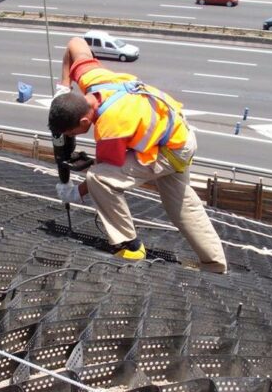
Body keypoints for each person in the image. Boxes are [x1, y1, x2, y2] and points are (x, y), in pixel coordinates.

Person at [48, 37, 227, 273]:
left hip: (170, 151)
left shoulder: (111, 126)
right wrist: (63, 87)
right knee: (182, 205)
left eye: (72, 132)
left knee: (98, 178)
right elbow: (75, 43)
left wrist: (74, 193)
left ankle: (130, 246)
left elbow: (104, 175)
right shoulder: (94, 80)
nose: (74, 136)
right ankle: (214, 263)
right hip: (176, 135)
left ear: (83, 120)